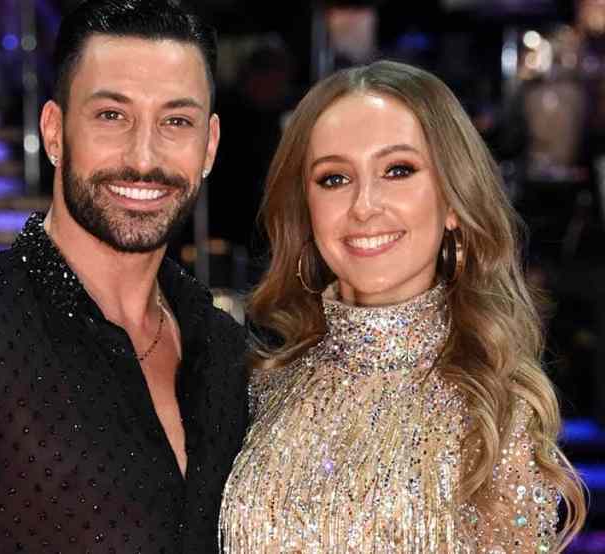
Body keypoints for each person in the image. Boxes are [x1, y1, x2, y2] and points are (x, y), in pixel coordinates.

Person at [0, 1, 249, 552]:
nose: (144, 156)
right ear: (54, 132)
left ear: (210, 146)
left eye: (176, 121)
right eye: (112, 115)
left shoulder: (223, 349)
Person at [219, 60, 586, 553]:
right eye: (333, 179)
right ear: (306, 210)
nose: (365, 205)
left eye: (398, 170)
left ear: (453, 202)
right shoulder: (262, 390)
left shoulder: (494, 414)